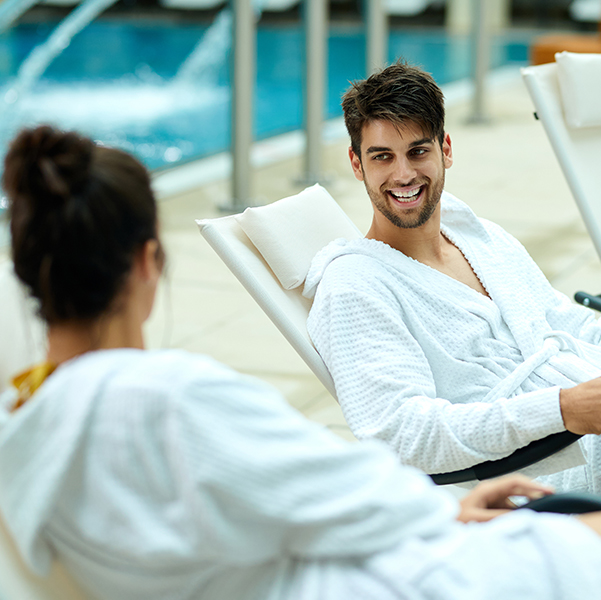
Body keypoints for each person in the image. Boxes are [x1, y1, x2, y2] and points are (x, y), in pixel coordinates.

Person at [2, 127, 601, 600]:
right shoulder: (169, 399)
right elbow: (345, 489)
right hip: (396, 581)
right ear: (147, 262)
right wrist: (443, 510)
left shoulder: (26, 426)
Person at [305, 61, 601, 493]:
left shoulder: (478, 238)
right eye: (382, 156)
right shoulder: (354, 287)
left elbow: (562, 320)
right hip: (535, 473)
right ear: (356, 163)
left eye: (418, 151)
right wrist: (562, 409)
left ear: (446, 149)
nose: (403, 175)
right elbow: (404, 436)